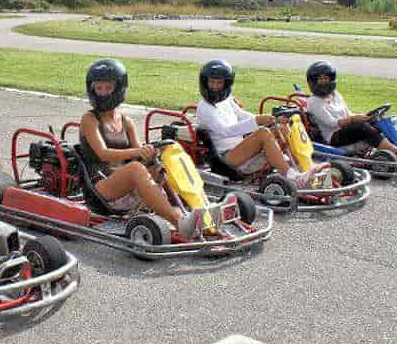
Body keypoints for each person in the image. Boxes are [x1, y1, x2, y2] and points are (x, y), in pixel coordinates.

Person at [79, 59, 208, 240]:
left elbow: (140, 152)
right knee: (135, 168)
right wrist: (137, 153)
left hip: (126, 185)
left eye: (107, 88)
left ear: (118, 88)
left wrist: (154, 152)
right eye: (98, 88)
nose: (102, 93)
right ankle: (179, 221)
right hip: (100, 188)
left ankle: (198, 208)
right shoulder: (89, 119)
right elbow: (103, 153)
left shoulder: (126, 121)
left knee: (160, 162)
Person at [196, 59, 328, 189]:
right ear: (205, 83)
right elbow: (224, 132)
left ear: (226, 84)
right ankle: (294, 177)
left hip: (240, 148)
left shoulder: (226, 100)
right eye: (212, 82)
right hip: (225, 158)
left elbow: (242, 115)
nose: (215, 86)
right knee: (263, 133)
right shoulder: (204, 108)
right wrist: (257, 121)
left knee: (283, 128)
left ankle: (306, 167)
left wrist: (271, 120)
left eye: (219, 83)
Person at [304, 60, 397, 160]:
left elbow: (348, 113)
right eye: (320, 79)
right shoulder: (313, 102)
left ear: (331, 79)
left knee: (379, 120)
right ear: (313, 82)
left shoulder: (335, 94)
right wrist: (355, 119)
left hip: (346, 129)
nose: (323, 82)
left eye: (326, 78)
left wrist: (366, 116)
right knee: (361, 127)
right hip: (333, 136)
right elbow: (331, 123)